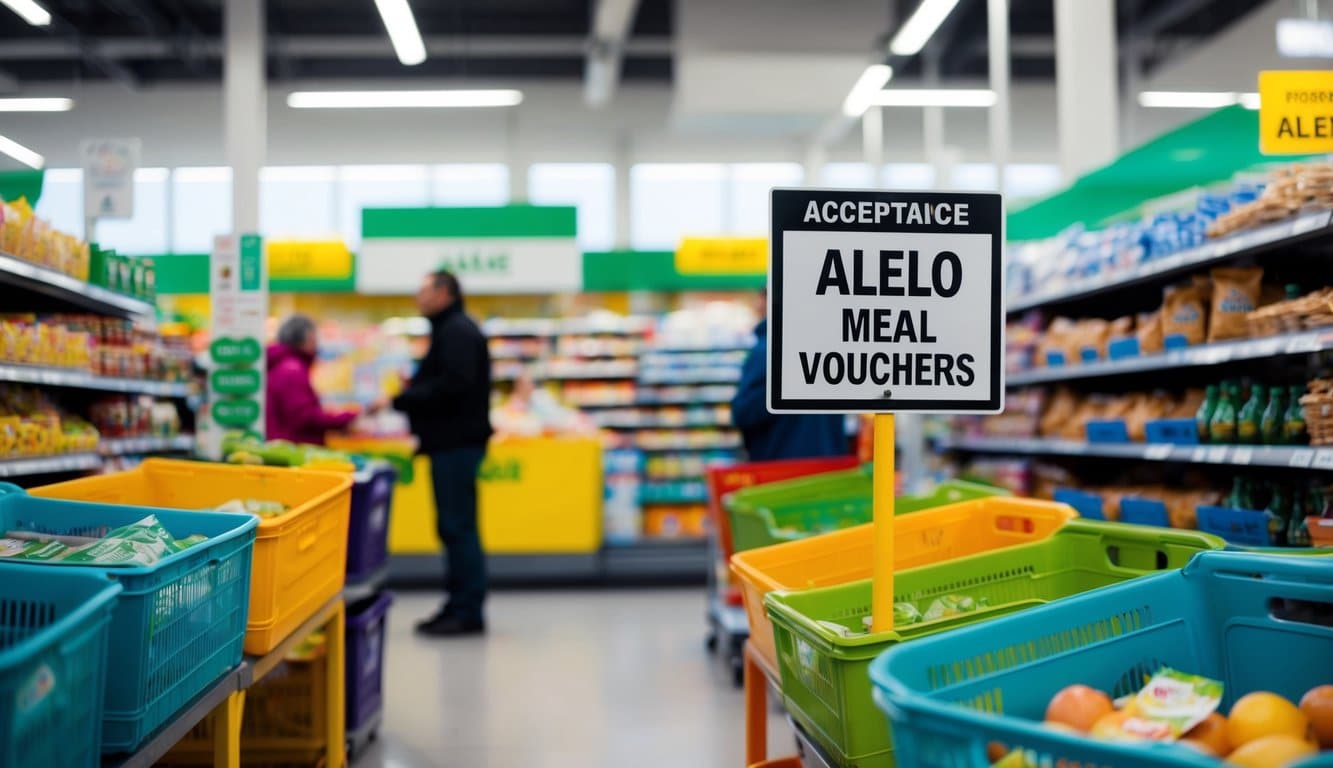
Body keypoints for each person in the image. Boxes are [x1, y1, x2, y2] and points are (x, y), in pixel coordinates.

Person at [380, 269, 493, 637]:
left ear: (444, 292)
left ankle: (465, 610)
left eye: (423, 289)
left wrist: (405, 398)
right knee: (456, 527)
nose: (418, 296)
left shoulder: (456, 331)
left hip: (456, 444)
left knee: (457, 527)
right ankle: (460, 604)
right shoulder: (452, 329)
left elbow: (454, 386)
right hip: (452, 443)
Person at [731, 298, 847, 461]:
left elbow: (744, 414)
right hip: (828, 464)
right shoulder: (829, 345)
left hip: (783, 467)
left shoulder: (766, 351)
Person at [265, 314, 357, 446]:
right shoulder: (292, 370)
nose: (317, 344)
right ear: (307, 338)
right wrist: (346, 418)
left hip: (287, 447)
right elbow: (304, 417)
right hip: (295, 450)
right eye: (315, 338)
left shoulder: (284, 365)